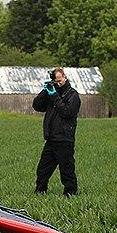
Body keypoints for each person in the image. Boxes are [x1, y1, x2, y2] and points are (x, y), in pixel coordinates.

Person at [32, 67, 81, 196]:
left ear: (65, 78)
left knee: (66, 168)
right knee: (43, 169)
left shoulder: (72, 95)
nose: (58, 83)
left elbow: (67, 112)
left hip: (65, 138)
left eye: (60, 80)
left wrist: (54, 95)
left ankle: (70, 193)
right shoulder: (51, 92)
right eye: (55, 81)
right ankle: (40, 192)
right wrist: (45, 91)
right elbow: (37, 106)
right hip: (51, 138)